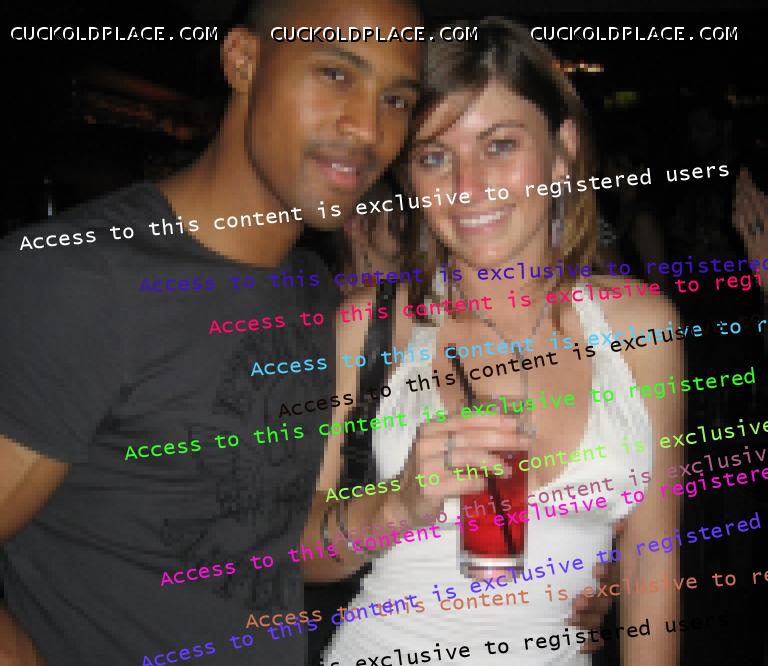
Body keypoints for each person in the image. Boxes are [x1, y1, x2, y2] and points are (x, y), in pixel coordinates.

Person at [0, 0, 423, 663]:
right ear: (244, 61)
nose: (368, 128)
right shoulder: (84, 278)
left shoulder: (310, 289)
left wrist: (402, 508)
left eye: (396, 99)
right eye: (336, 74)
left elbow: (274, 548)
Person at [300, 18, 683, 665]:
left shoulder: (641, 329)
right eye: (433, 157)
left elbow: (653, 565)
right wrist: (398, 506)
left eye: (499, 145)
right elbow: (299, 553)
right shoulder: (368, 326)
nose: (467, 187)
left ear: (562, 149)